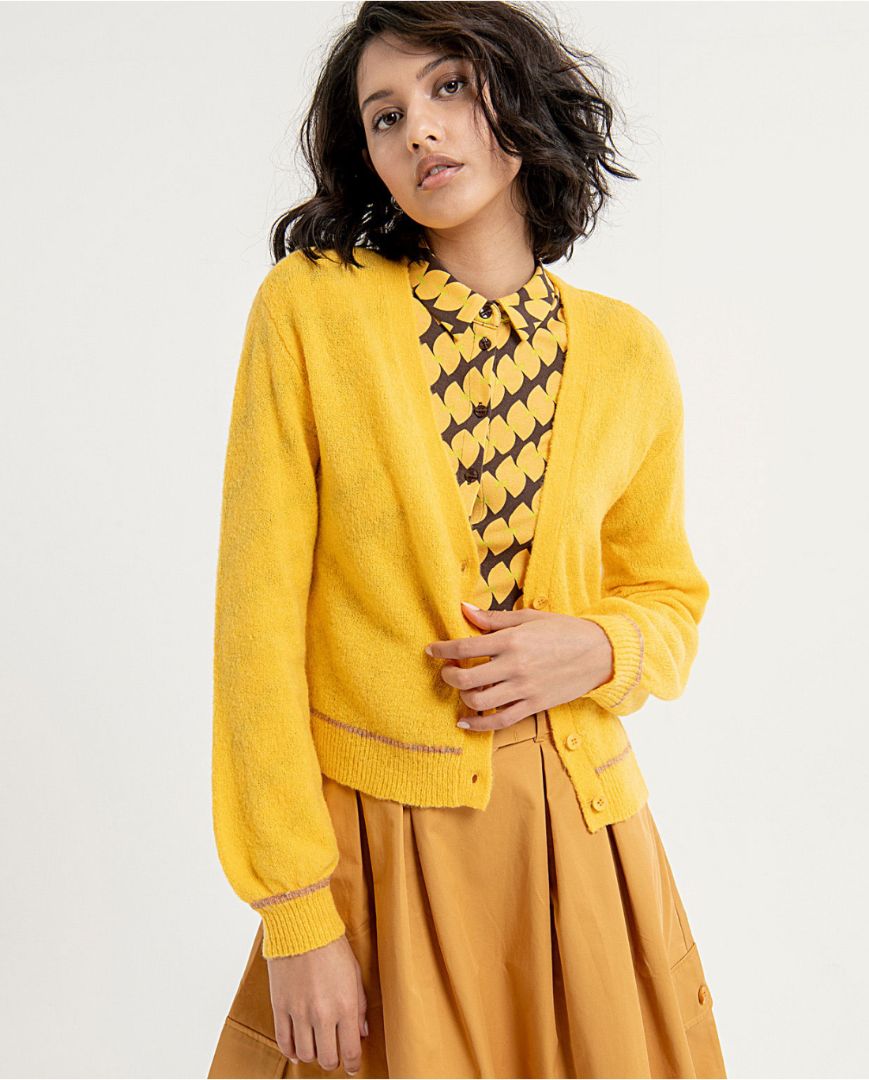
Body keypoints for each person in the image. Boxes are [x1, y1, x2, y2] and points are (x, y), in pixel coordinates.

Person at [207, 3, 727, 1078]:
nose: (420, 131)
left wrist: (598, 648)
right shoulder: (311, 311)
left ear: (516, 96)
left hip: (586, 840)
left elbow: (668, 600)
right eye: (385, 115)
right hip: (382, 848)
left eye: (447, 86)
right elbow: (254, 630)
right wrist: (295, 911)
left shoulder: (627, 353)